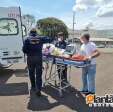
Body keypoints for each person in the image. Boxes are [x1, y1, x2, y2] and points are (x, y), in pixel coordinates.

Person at [22, 28, 53, 96]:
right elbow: (50, 39)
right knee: (38, 74)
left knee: (31, 73)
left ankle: (33, 86)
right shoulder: (40, 38)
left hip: (30, 58)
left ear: (30, 33)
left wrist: (29, 53)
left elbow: (24, 50)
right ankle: (38, 89)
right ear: (36, 33)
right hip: (38, 58)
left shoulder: (26, 39)